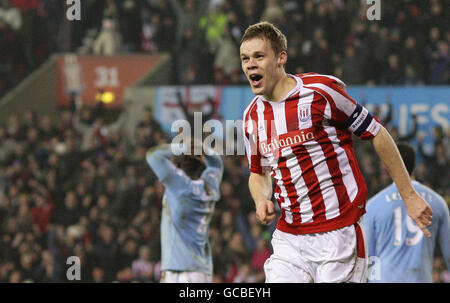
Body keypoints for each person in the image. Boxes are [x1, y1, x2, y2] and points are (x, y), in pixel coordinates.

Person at [240, 21, 433, 283]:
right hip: (290, 236)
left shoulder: (321, 91)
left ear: (281, 58)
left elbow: (376, 133)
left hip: (340, 231)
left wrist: (408, 194)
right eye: (245, 58)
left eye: (258, 56)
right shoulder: (252, 115)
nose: (250, 64)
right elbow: (258, 172)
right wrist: (261, 199)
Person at [365, 142, 449, 283]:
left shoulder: (373, 205)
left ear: (387, 166)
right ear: (414, 164)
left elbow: (369, 256)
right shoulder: (438, 202)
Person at [146, 141, 223, 283]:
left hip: (180, 272)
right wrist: (203, 147)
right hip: (203, 272)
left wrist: (181, 147)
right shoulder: (209, 186)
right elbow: (217, 164)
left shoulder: (180, 187)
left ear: (178, 170)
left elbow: (153, 156)